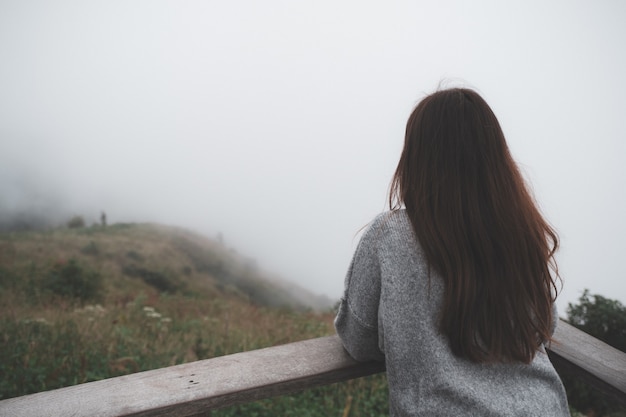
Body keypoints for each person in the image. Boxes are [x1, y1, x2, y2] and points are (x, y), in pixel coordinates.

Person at [334, 87, 570, 416]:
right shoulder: (519, 231)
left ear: (416, 157)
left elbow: (358, 341)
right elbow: (545, 326)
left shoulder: (390, 236)